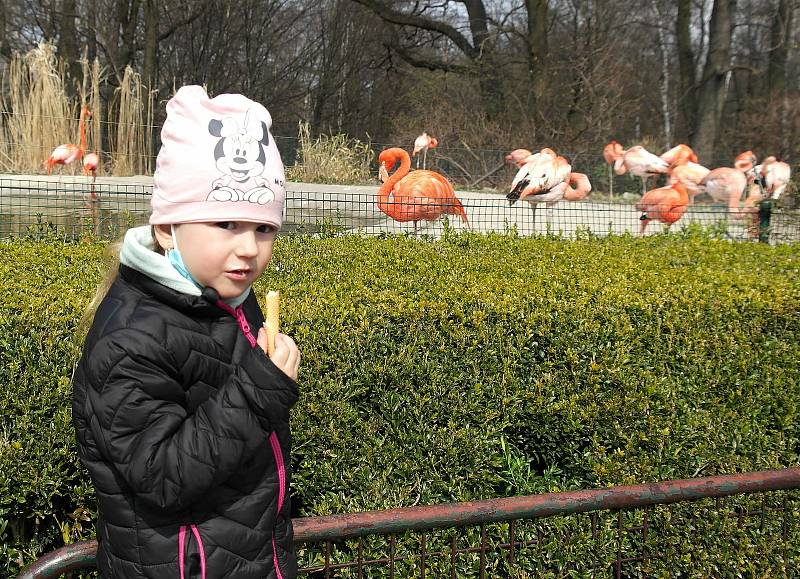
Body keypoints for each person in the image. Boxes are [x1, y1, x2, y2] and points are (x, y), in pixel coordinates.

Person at [72, 85, 301, 579]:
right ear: (166, 229)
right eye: (225, 223)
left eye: (264, 229)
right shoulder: (132, 340)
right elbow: (163, 476)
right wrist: (262, 389)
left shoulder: (225, 299)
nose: (249, 249)